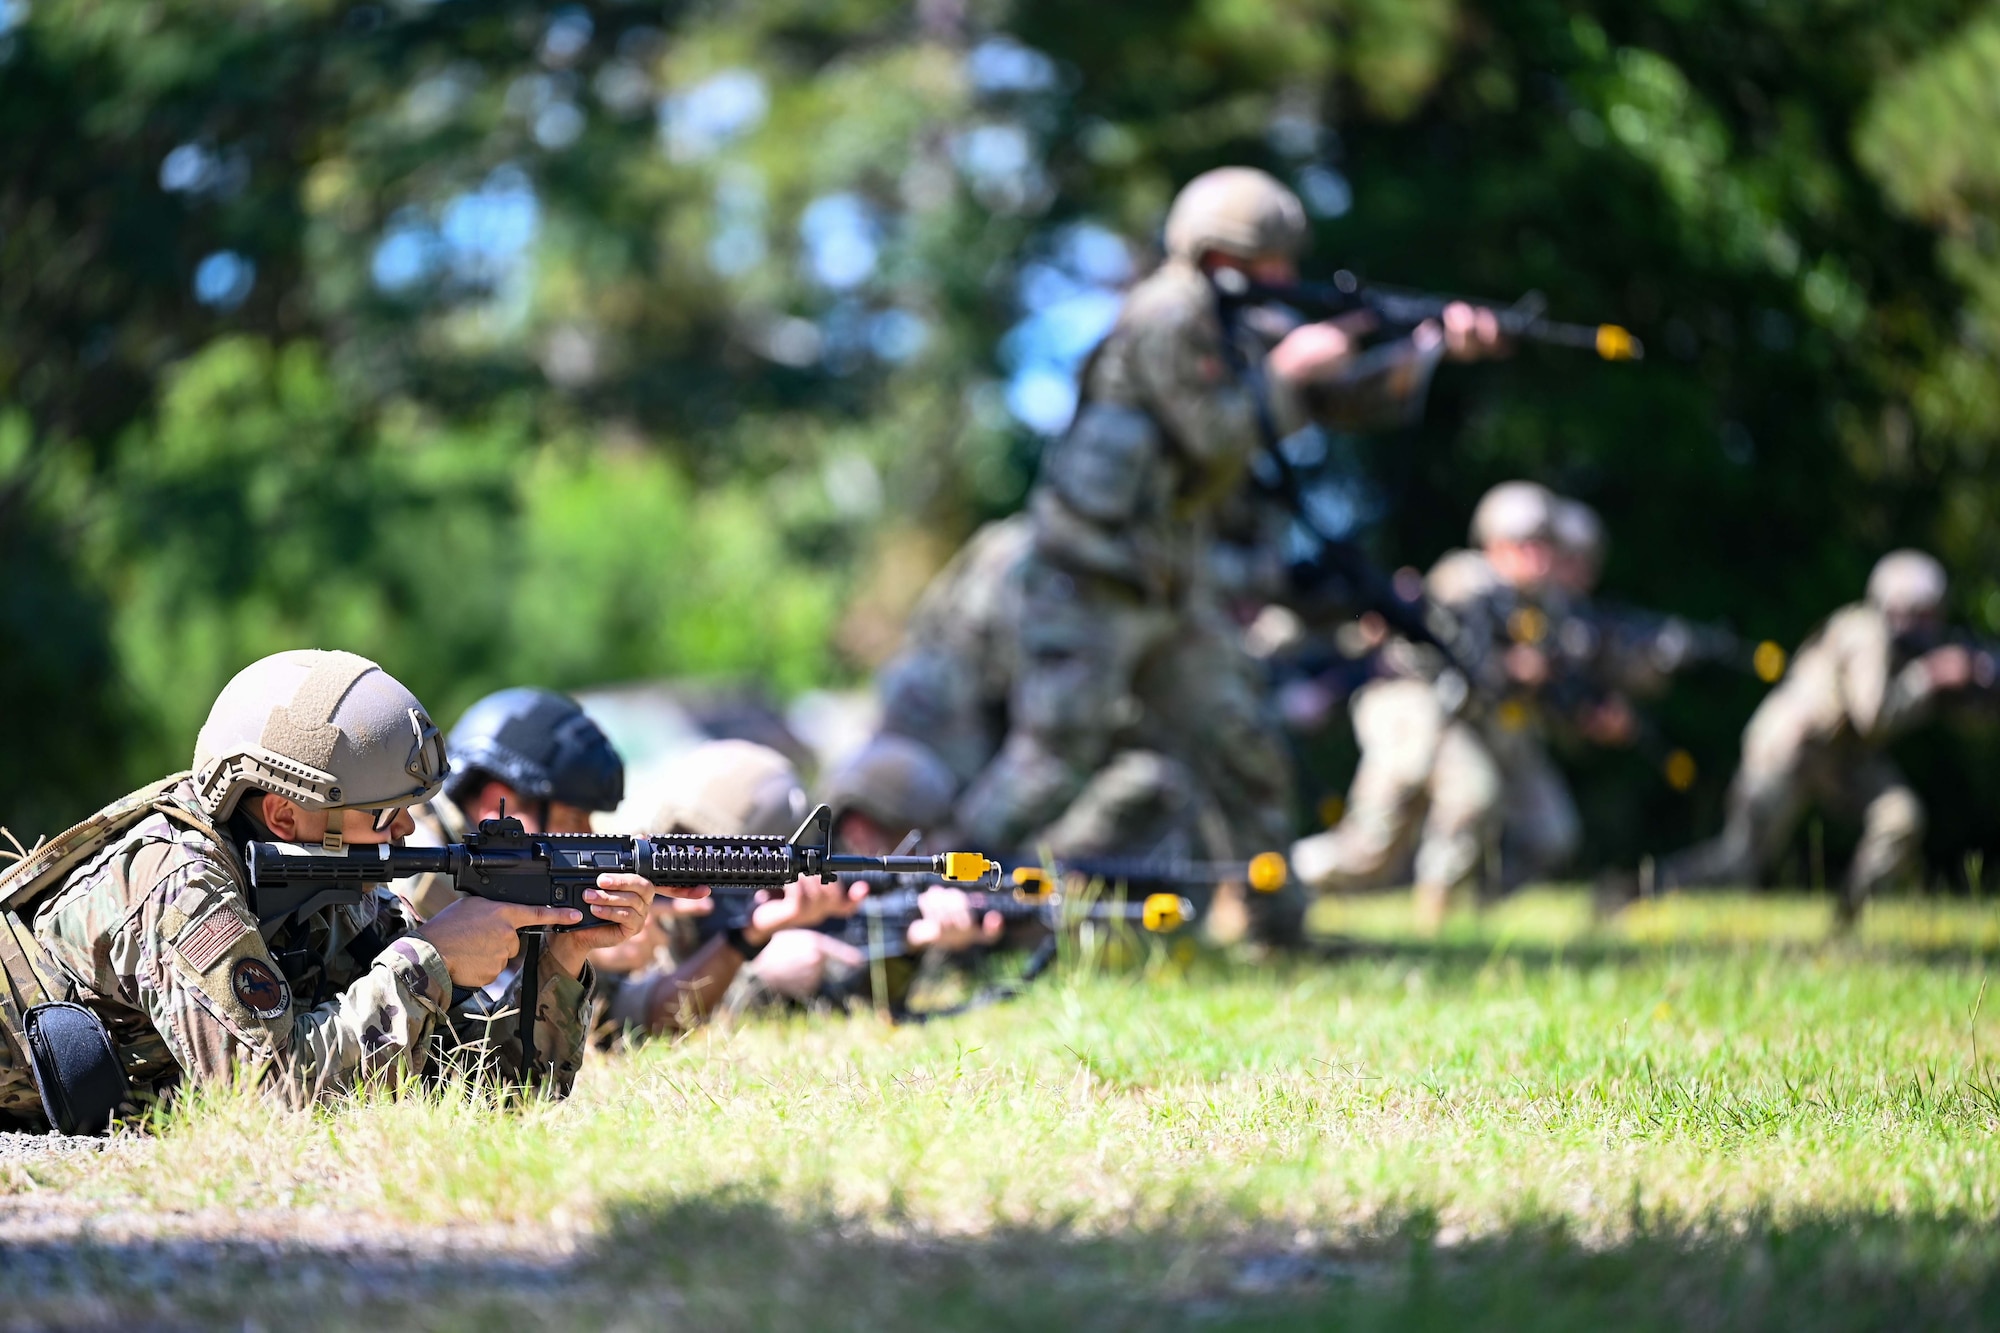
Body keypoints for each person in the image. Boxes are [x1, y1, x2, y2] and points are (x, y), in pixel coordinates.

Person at [953, 168, 1501, 947]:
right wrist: (1290, 370)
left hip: (1174, 589)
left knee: (1244, 748)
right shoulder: (1166, 316)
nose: (1285, 278)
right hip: (1091, 582)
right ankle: (929, 910)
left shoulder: (1239, 323)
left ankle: (1276, 926)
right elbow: (1214, 433)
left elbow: (1339, 398)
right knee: (1046, 766)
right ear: (1218, 258)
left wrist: (1427, 348)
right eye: (1270, 261)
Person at [0, 650, 662, 1129]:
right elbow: (266, 1103)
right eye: (383, 815)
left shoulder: (333, 885)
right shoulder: (179, 883)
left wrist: (560, 962)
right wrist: (426, 960)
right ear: (287, 815)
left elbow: (472, 1091)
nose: (406, 828)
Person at [1289, 481, 1576, 928]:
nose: (1539, 558)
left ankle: (1456, 914)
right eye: (1526, 545)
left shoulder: (1539, 602)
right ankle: (1265, 876)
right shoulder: (1467, 582)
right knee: (1368, 850)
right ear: (1495, 543)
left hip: (1468, 720)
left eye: (1546, 546)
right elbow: (1456, 660)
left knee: (1545, 829)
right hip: (1412, 709)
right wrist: (1516, 670)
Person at [1657, 550, 1978, 922]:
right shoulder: (1866, 632)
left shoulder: (1899, 645)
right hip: (1789, 749)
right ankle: (1642, 889)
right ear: (1900, 606)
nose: (1934, 623)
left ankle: (1848, 916)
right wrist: (1930, 678)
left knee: (1899, 818)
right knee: (1738, 863)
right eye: (1927, 612)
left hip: (1838, 756)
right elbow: (1873, 716)